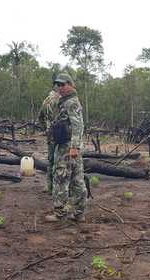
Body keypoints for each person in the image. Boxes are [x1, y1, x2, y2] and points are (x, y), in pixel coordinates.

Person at [45, 73, 86, 223]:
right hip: (66, 145)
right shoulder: (65, 101)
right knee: (77, 179)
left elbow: (78, 125)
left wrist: (74, 147)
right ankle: (78, 213)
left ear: (70, 84)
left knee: (61, 178)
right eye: (58, 85)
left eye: (63, 84)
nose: (60, 87)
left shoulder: (71, 102)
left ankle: (60, 213)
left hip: (68, 147)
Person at [38, 88, 61, 193]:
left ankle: (49, 186)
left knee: (51, 161)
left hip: (51, 135)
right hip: (62, 136)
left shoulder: (46, 101)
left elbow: (40, 118)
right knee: (61, 161)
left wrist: (46, 129)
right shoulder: (62, 100)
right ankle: (59, 187)